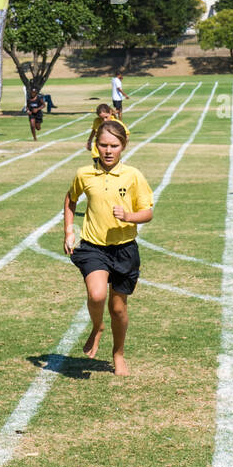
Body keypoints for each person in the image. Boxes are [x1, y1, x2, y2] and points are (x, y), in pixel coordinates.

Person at [63, 118, 154, 377]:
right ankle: (97, 326)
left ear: (123, 146)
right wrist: (69, 230)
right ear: (96, 146)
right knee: (96, 295)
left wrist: (129, 216)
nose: (108, 150)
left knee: (118, 308)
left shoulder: (133, 176)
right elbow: (70, 199)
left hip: (124, 249)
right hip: (94, 247)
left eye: (114, 145)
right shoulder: (84, 174)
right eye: (103, 145)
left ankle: (118, 353)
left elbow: (147, 212)